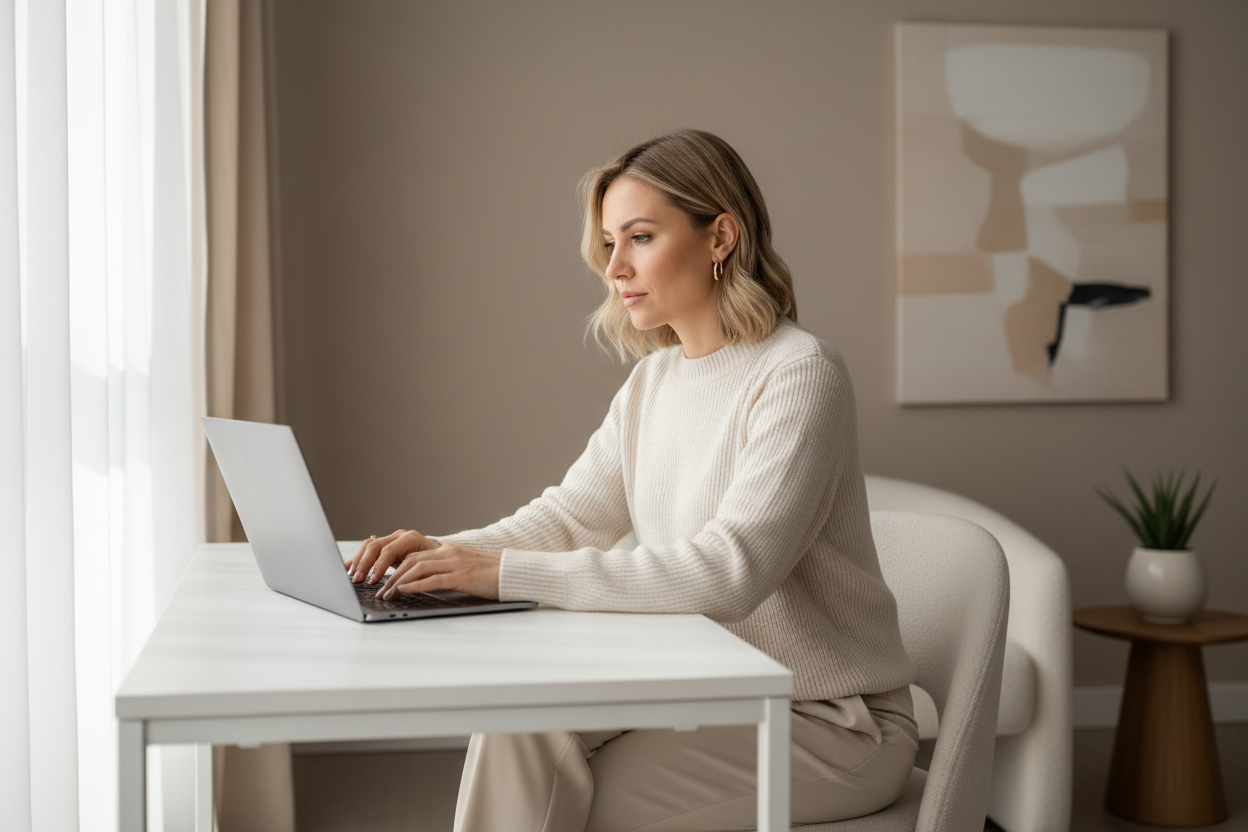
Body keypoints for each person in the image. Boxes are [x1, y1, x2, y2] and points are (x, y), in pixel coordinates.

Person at [344, 129, 918, 832]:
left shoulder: (800, 374)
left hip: (830, 723)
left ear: (721, 237)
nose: (615, 267)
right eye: (610, 243)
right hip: (708, 686)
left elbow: (730, 572)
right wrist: (436, 553)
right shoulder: (654, 379)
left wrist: (498, 574)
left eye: (639, 237)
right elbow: (568, 517)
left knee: (566, 806)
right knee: (521, 721)